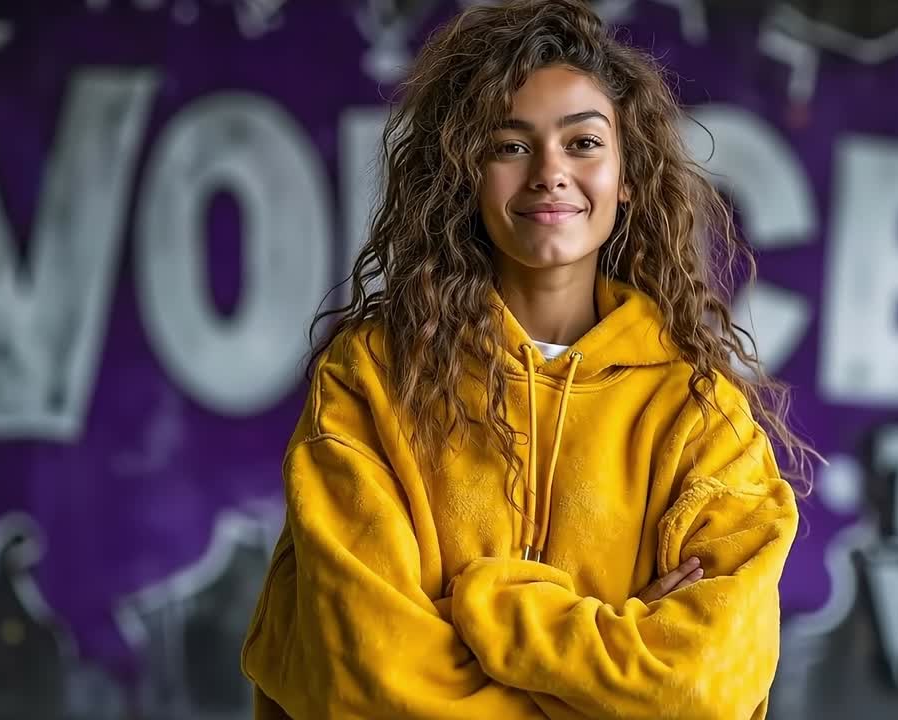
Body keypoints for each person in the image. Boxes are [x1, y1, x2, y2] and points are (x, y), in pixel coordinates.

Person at [241, 0, 810, 717]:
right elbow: (368, 682)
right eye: (510, 145)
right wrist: (607, 676)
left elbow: (702, 686)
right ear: (465, 175)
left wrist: (487, 608)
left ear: (627, 174)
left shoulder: (700, 419)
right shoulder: (373, 382)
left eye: (583, 143)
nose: (549, 171)